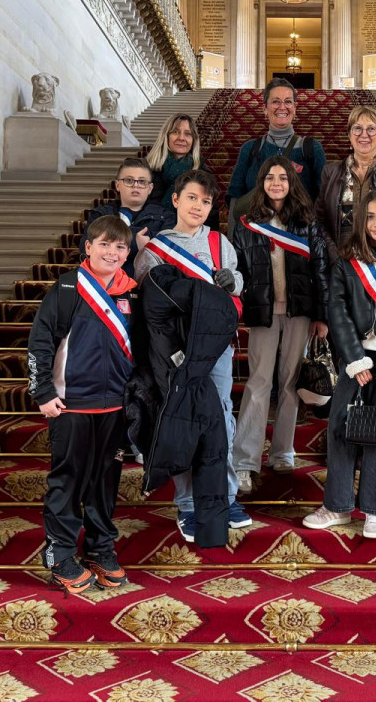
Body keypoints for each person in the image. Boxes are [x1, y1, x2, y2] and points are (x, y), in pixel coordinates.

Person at [134, 169, 250, 542]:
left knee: (222, 421)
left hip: (216, 350)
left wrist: (234, 284)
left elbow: (237, 285)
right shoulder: (154, 252)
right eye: (192, 198)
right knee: (183, 422)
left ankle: (226, 497)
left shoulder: (220, 243)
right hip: (177, 352)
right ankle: (187, 505)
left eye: (205, 201)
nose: (198, 206)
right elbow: (148, 306)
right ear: (175, 199)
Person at [302, 192, 376, 540]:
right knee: (341, 430)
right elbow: (337, 312)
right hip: (354, 360)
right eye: (369, 217)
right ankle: (338, 506)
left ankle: (375, 510)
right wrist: (354, 359)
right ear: (360, 221)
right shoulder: (345, 263)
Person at [29, 215, 137, 595]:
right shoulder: (66, 289)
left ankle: (99, 547)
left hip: (113, 407)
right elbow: (40, 342)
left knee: (104, 483)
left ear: (128, 253)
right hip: (71, 404)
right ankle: (59, 554)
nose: (112, 252)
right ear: (88, 247)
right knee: (68, 481)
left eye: (120, 246)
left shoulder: (131, 293)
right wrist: (42, 392)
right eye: (104, 244)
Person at [230, 156, 330, 493]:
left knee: (289, 382)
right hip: (263, 312)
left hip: (300, 312)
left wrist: (322, 315)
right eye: (270, 177)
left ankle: (283, 451)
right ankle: (245, 460)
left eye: (283, 178)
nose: (277, 183)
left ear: (292, 183)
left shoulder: (306, 221)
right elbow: (238, 268)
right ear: (261, 182)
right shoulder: (247, 223)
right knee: (259, 383)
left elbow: (320, 270)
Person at [316, 105, 376, 263]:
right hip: (340, 259)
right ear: (349, 134)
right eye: (357, 128)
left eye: (371, 129)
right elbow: (320, 219)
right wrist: (334, 254)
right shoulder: (330, 171)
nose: (364, 134)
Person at [225, 78, 327, 210]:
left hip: (299, 229)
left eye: (288, 102)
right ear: (265, 108)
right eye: (275, 102)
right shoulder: (249, 149)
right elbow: (235, 197)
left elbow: (325, 196)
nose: (282, 107)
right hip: (256, 228)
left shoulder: (311, 148)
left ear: (295, 108)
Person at [79, 158, 175, 274]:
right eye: (129, 180)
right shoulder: (100, 215)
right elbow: (87, 250)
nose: (135, 186)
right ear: (118, 185)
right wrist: (142, 244)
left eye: (142, 181)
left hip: (150, 283)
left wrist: (111, 242)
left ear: (150, 188)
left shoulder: (166, 217)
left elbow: (168, 253)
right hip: (107, 282)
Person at [146, 114, 220, 230]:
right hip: (153, 234)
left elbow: (211, 216)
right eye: (175, 132)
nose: (181, 138)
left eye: (188, 134)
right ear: (166, 136)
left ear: (193, 140)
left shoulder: (205, 175)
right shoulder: (147, 170)